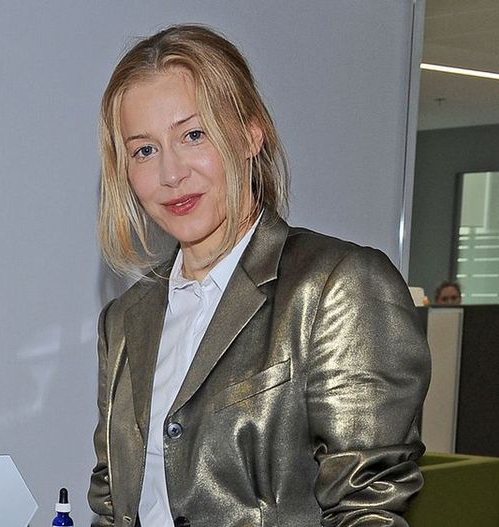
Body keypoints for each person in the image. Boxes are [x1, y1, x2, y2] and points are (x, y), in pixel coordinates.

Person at [88, 25, 431, 527]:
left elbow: (368, 508)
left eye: (193, 135)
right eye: (144, 150)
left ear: (251, 134)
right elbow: (111, 500)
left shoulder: (338, 286)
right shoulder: (124, 319)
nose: (170, 173)